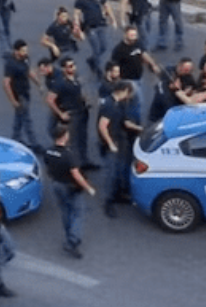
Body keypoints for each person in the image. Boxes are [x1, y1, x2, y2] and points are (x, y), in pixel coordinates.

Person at [44, 124, 97, 258]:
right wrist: (88, 187)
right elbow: (76, 175)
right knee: (78, 213)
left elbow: (48, 166)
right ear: (64, 136)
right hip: (70, 187)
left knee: (65, 211)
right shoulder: (69, 155)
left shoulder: (48, 151)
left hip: (56, 184)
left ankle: (69, 236)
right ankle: (72, 241)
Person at [96, 80, 138, 217]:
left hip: (120, 141)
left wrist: (140, 129)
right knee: (111, 173)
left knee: (119, 169)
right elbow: (102, 126)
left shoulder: (119, 103)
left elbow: (124, 121)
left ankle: (118, 194)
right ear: (124, 90)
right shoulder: (109, 105)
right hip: (112, 144)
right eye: (129, 92)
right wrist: (110, 144)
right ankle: (108, 202)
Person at [46, 56, 95, 170]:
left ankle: (84, 161)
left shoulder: (75, 79)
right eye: (69, 66)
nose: (73, 68)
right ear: (63, 69)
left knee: (82, 138)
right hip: (71, 115)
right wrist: (60, 114)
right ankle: (74, 167)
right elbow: (50, 99)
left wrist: (85, 99)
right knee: (73, 142)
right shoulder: (60, 83)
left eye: (73, 65)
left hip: (82, 112)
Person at [108, 24, 160, 122]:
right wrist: (116, 80)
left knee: (131, 102)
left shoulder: (137, 43)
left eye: (135, 35)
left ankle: (127, 119)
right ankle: (136, 122)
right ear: (125, 35)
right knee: (139, 101)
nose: (134, 37)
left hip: (139, 77)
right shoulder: (119, 50)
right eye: (131, 35)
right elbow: (114, 66)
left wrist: (153, 64)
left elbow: (143, 54)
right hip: (128, 80)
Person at [3, 40, 41, 151]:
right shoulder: (11, 64)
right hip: (19, 95)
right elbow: (6, 83)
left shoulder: (25, 59)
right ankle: (34, 143)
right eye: (23, 50)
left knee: (19, 118)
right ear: (16, 51)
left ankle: (15, 138)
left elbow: (29, 71)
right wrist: (13, 100)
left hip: (26, 92)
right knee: (27, 120)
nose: (26, 52)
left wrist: (38, 82)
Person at [73, 0, 116, 75]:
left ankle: (92, 60)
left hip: (101, 24)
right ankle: (97, 69)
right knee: (96, 49)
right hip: (90, 28)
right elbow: (76, 15)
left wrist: (112, 19)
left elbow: (107, 6)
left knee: (104, 47)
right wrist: (79, 30)